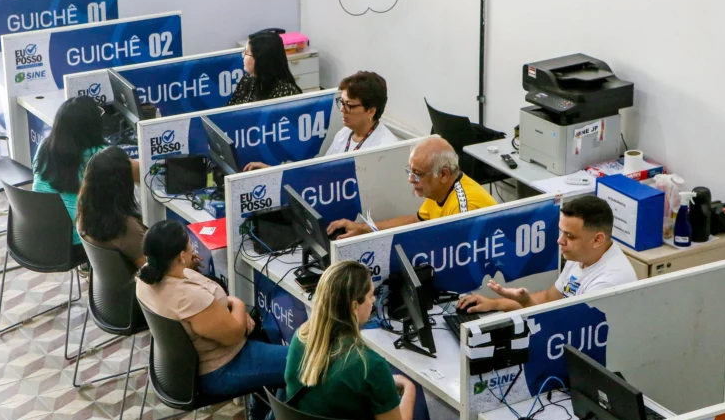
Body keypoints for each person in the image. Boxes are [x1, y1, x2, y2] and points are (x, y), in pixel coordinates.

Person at [284, 260, 445, 420]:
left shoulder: (301, 337)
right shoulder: (369, 365)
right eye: (370, 295)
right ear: (354, 305)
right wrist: (409, 388)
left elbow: (335, 382)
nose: (373, 301)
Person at [135, 221, 287, 420]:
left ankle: (256, 419)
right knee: (306, 361)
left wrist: (188, 271)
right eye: (189, 246)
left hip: (180, 368)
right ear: (180, 256)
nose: (193, 249)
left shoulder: (145, 280)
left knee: (266, 335)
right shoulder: (188, 297)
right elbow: (234, 334)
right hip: (221, 368)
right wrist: (237, 304)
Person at [457, 195, 638, 313]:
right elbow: (549, 299)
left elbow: (565, 329)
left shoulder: (607, 284)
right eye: (561, 232)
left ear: (598, 240)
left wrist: (526, 303)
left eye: (570, 236)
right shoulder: (582, 255)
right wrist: (494, 304)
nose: (560, 241)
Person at [326, 137, 497, 239]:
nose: (410, 180)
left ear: (444, 174)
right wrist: (362, 228)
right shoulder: (440, 190)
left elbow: (458, 258)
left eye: (418, 174)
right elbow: (415, 221)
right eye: (410, 171)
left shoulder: (463, 208)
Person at [32, 96, 139, 247]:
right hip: (79, 241)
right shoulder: (101, 155)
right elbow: (141, 173)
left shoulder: (44, 146)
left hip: (39, 236)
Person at [243, 70, 398, 171]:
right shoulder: (344, 134)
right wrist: (272, 170)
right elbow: (320, 172)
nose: (342, 109)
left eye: (349, 105)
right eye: (341, 102)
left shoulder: (385, 147)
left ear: (371, 111)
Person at [76, 147, 147, 268]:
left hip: (110, 279)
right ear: (122, 186)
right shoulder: (127, 229)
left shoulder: (85, 214)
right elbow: (153, 273)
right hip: (136, 279)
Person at [227, 30, 302, 107]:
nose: (243, 55)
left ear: (261, 59)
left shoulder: (285, 91)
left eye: (247, 53)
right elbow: (231, 109)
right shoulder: (247, 79)